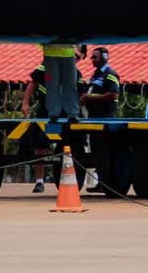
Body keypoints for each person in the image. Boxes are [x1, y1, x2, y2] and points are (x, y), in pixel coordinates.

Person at [21, 49, 86, 193]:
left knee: (68, 145)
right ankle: (39, 181)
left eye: (76, 57)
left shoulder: (78, 75)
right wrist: (25, 103)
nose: (74, 58)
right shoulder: (46, 67)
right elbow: (33, 83)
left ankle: (68, 179)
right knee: (41, 146)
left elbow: (81, 96)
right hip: (46, 115)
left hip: (67, 118)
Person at [81, 47, 121, 193]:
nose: (92, 60)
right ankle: (101, 182)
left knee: (105, 152)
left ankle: (107, 183)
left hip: (105, 120)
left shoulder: (110, 74)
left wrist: (90, 98)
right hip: (93, 119)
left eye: (95, 57)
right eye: (91, 57)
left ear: (104, 57)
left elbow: (114, 95)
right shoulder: (94, 76)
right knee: (97, 151)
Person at [42, 42, 82, 122]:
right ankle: (54, 114)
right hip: (50, 54)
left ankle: (72, 114)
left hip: (68, 54)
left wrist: (81, 45)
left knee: (70, 85)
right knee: (52, 85)